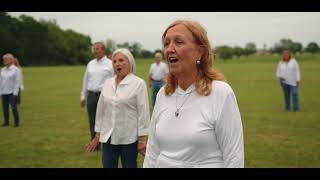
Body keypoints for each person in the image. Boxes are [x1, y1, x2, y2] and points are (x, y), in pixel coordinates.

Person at [143, 20, 244, 168]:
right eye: (166, 43)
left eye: (178, 42)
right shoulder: (163, 95)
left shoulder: (221, 93)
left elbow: (234, 158)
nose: (169, 49)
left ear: (200, 52)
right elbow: (152, 152)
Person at [86, 48, 150, 168]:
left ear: (130, 62)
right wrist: (97, 136)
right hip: (108, 137)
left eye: (121, 60)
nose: (117, 64)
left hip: (129, 138)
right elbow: (101, 111)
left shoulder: (138, 83)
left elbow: (143, 112)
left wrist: (141, 139)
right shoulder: (107, 83)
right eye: (114, 61)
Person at [80, 42, 114, 150]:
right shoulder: (90, 64)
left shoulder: (110, 63)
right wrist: (83, 96)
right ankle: (95, 144)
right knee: (92, 121)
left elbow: (115, 80)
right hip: (91, 96)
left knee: (106, 120)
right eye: (94, 49)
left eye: (97, 49)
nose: (95, 51)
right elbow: (85, 80)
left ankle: (107, 144)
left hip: (105, 96)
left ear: (103, 50)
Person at [0, 53, 21, 127]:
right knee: (5, 109)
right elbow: (1, 82)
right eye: (3, 59)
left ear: (11, 60)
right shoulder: (2, 69)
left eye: (5, 59)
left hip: (12, 92)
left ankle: (16, 122)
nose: (4, 61)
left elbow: (17, 82)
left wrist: (15, 93)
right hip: (4, 92)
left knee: (14, 108)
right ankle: (6, 122)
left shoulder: (16, 70)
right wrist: (0, 93)